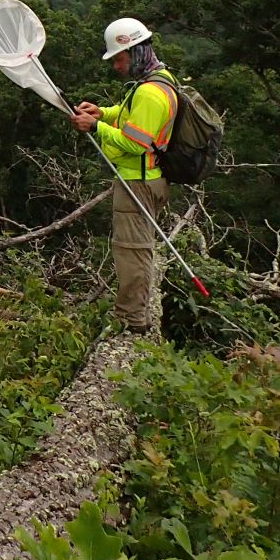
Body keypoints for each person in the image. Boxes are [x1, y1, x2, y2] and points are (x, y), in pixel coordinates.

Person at [69, 17, 177, 334]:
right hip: (148, 178)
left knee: (132, 251)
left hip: (138, 183)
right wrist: (104, 113)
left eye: (118, 57)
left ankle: (132, 320)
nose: (116, 65)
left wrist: (96, 127)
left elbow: (135, 142)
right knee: (138, 247)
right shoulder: (157, 80)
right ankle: (135, 313)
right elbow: (131, 116)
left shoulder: (149, 93)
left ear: (135, 51)